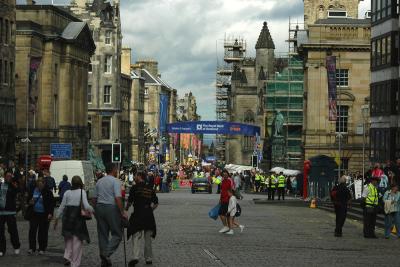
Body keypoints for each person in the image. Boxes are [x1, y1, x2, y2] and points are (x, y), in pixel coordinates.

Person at [54, 176, 94, 267]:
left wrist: (56, 218)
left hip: (67, 219)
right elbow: (87, 205)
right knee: (77, 242)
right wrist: (93, 211)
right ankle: (74, 263)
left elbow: (62, 206)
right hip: (78, 220)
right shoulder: (82, 192)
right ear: (80, 183)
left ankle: (67, 256)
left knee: (68, 239)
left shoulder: (67, 193)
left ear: (72, 183)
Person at [94, 163, 127, 267]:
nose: (117, 171)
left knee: (102, 234)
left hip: (99, 207)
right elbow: (118, 198)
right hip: (111, 208)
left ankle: (104, 261)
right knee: (117, 233)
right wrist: (122, 212)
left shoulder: (99, 181)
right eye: (116, 170)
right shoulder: (115, 181)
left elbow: (93, 199)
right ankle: (106, 254)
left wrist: (96, 210)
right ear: (113, 170)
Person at [125, 171, 158, 266]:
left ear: (139, 177)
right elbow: (156, 203)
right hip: (148, 215)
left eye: (135, 175)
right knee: (148, 238)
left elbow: (130, 202)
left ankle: (135, 257)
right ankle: (148, 258)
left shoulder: (134, 188)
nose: (134, 177)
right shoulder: (150, 188)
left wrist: (126, 209)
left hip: (138, 214)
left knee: (136, 235)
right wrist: (150, 210)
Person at [27, 177, 55, 254]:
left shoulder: (48, 192)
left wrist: (50, 213)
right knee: (32, 231)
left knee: (42, 232)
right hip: (34, 214)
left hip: (44, 214)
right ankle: (32, 248)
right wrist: (30, 202)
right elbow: (28, 200)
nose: (39, 186)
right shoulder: (33, 190)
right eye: (38, 184)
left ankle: (42, 248)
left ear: (44, 184)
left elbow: (51, 204)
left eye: (41, 184)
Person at [0, 172, 21, 257]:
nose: (9, 177)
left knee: (12, 230)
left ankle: (16, 246)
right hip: (1, 212)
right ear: (4, 177)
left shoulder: (13, 186)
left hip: (10, 212)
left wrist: (14, 185)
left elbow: (19, 193)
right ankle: (1, 249)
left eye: (10, 176)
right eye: (7, 176)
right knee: (0, 231)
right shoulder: (1, 185)